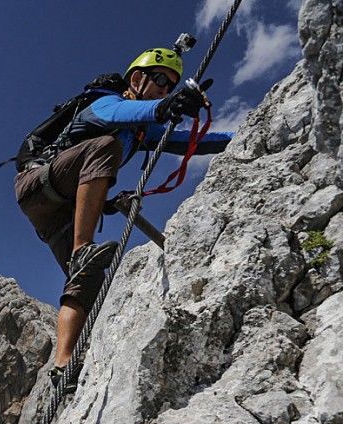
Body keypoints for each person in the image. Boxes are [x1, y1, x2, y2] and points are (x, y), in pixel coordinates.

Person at [14, 48, 234, 392]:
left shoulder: (143, 133)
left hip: (53, 211)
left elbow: (194, 142)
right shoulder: (102, 104)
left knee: (88, 280)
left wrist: (239, 135)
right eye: (160, 79)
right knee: (104, 147)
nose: (164, 88)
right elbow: (123, 112)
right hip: (37, 183)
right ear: (136, 79)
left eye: (170, 85)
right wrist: (165, 107)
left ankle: (62, 367)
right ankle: (82, 248)